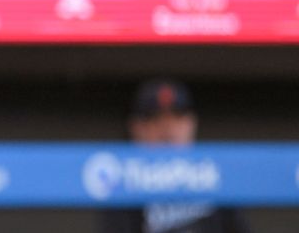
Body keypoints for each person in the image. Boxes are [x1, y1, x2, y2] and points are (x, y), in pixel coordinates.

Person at [97, 79, 251, 233]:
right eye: (156, 118)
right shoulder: (123, 185)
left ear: (191, 123)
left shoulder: (215, 177)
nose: (168, 128)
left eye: (177, 117)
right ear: (137, 128)